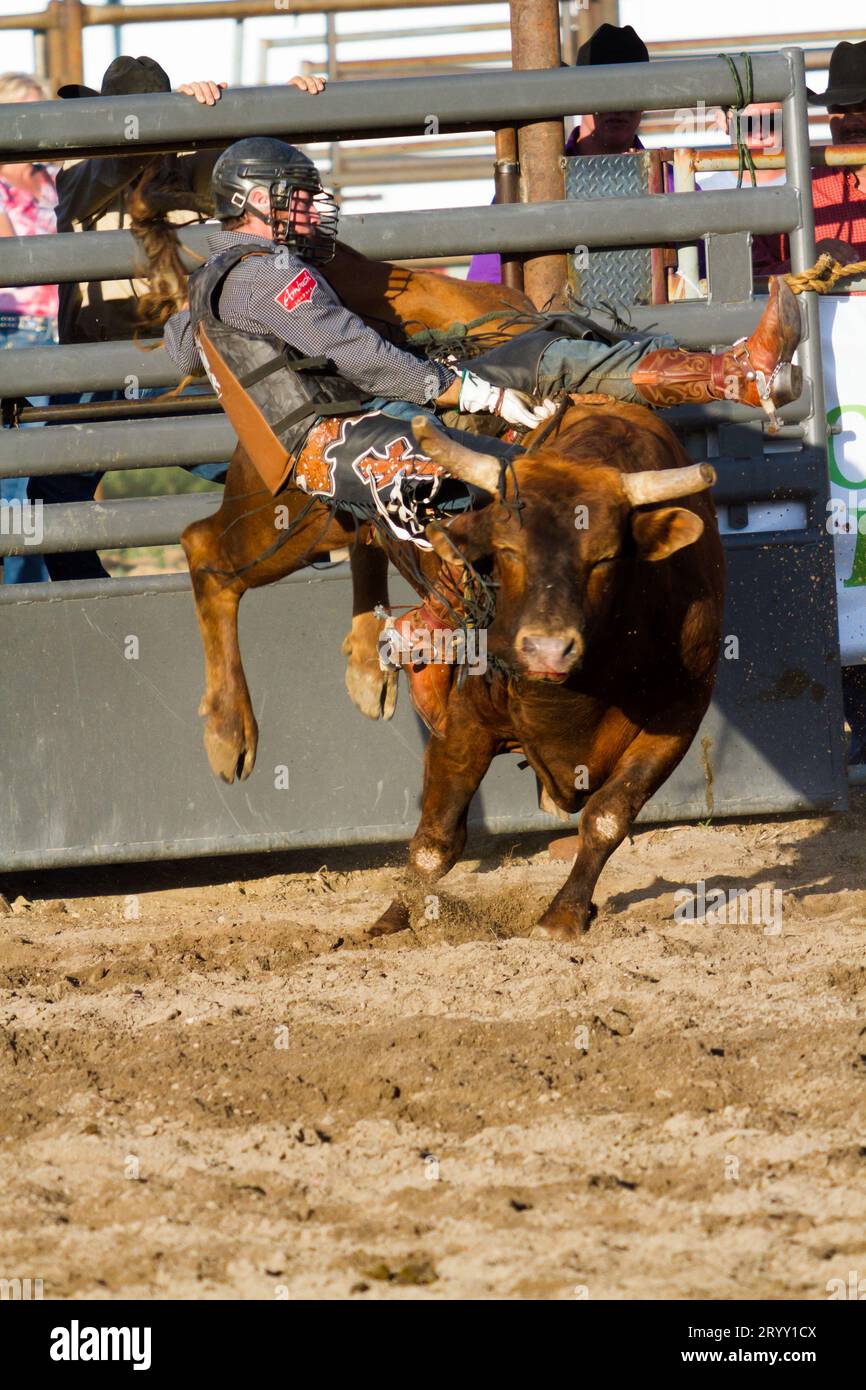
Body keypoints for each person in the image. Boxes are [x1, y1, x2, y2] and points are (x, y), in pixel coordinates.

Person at [161, 138, 804, 733]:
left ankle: (735, 374)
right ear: (257, 203)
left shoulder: (218, 281)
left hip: (361, 417)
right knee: (526, 487)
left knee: (538, 352)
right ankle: (431, 633)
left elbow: (182, 347)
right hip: (340, 446)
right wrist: (466, 390)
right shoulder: (270, 274)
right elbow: (352, 350)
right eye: (299, 198)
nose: (314, 208)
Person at [28, 56, 326, 582]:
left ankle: (305, 579)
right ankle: (93, 602)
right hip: (97, 370)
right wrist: (171, 121)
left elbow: (246, 173)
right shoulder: (80, 170)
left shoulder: (191, 165)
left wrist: (269, 110)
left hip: (182, 361)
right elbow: (114, 168)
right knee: (52, 491)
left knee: (272, 467)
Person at [467, 23, 650, 285]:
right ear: (578, 96)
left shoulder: (673, 184)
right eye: (602, 91)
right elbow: (487, 284)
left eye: (630, 91)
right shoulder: (527, 186)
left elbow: (704, 281)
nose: (617, 106)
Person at [0, 71, 55, 584]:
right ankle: (22, 598)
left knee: (35, 477)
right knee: (17, 478)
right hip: (11, 329)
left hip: (57, 331)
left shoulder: (57, 177)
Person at [753, 41, 866, 276]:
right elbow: (753, 281)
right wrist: (804, 263)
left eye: (864, 108)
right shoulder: (799, 195)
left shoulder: (799, 194)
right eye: (840, 108)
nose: (852, 121)